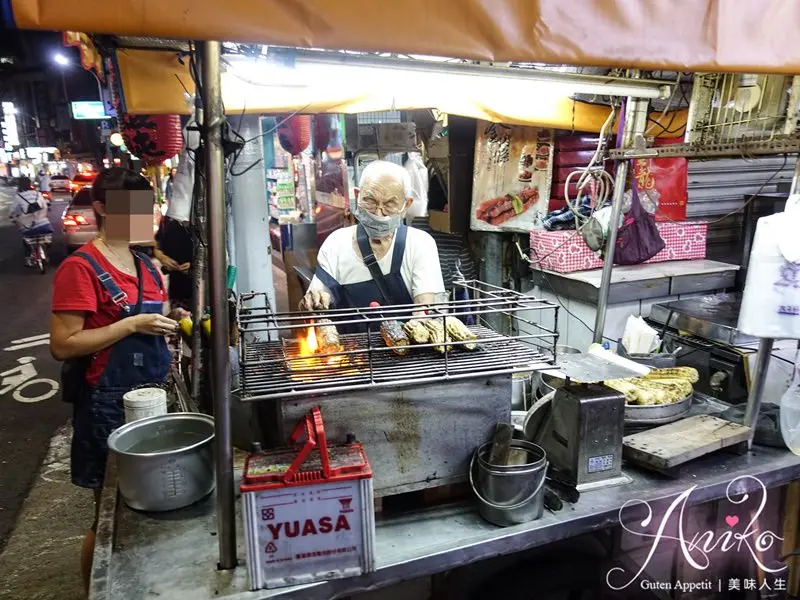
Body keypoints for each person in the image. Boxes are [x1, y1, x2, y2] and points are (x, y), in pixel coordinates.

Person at [48, 167, 189, 590]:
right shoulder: (81, 268)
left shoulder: (145, 263)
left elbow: (149, 319)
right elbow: (63, 344)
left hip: (155, 396)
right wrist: (131, 325)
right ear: (102, 209)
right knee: (111, 515)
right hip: (108, 405)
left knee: (155, 504)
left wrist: (172, 317)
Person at [300, 160, 445, 326]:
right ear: (357, 195)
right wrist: (315, 301)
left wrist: (417, 326)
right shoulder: (336, 244)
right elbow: (317, 300)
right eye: (370, 201)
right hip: (349, 342)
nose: (378, 213)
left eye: (390, 204)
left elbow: (424, 306)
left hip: (407, 340)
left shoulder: (420, 244)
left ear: (406, 205)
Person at [8, 176, 53, 267]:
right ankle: (46, 244)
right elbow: (45, 206)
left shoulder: (19, 197)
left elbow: (12, 210)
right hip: (44, 225)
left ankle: (28, 258)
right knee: (45, 236)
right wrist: (43, 215)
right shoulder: (38, 194)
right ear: (30, 184)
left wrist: (11, 217)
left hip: (28, 227)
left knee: (26, 240)